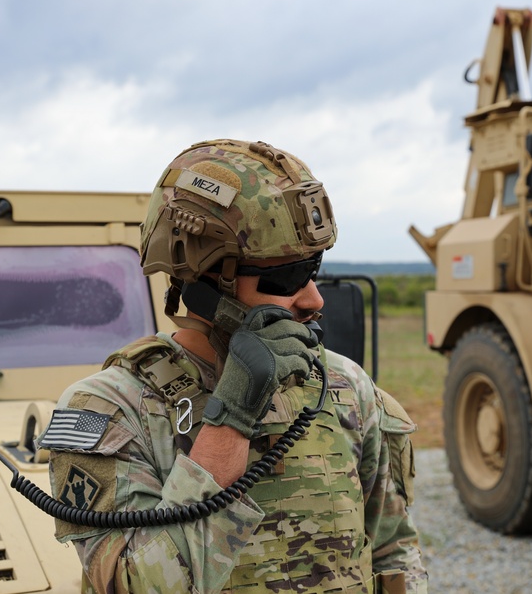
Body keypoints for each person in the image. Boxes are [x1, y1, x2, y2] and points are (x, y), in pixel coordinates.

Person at [43, 139, 428, 593]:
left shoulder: (343, 383)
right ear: (205, 280)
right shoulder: (108, 411)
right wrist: (233, 416)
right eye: (284, 278)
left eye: (314, 269)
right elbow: (137, 586)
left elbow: (393, 555)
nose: (313, 300)